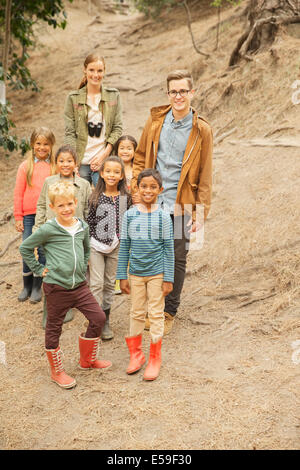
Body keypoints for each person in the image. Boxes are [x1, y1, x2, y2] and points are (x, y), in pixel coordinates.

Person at [132, 69, 213, 335]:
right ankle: (151, 307)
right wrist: (137, 191)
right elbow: (141, 157)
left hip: (182, 204)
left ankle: (169, 311)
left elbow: (205, 174)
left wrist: (200, 214)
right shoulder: (156, 121)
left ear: (192, 93)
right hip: (153, 202)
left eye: (183, 91)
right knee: (152, 253)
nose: (178, 96)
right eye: (173, 91)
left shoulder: (201, 130)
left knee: (177, 257)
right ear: (168, 94)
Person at [19, 180, 112, 389]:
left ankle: (86, 360)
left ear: (76, 202)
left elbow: (86, 249)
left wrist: (82, 268)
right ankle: (57, 371)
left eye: (69, 204)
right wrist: (37, 268)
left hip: (79, 286)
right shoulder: (48, 229)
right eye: (60, 205)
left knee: (98, 317)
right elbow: (26, 247)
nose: (66, 209)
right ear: (52, 207)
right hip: (56, 287)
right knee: (54, 328)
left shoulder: (82, 226)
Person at [116, 169, 174, 381]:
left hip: (157, 274)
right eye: (144, 186)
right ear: (136, 188)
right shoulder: (129, 215)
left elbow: (169, 248)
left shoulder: (163, 217)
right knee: (136, 312)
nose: (148, 190)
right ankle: (136, 354)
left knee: (156, 314)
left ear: (160, 190)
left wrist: (169, 278)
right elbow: (124, 247)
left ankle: (155, 359)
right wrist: (122, 275)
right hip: (136, 275)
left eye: (152, 187)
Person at [34, 144, 92, 328]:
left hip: (74, 235)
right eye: (61, 161)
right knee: (51, 269)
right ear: (56, 162)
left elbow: (89, 210)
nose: (65, 164)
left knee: (71, 267)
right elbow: (42, 206)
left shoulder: (83, 185)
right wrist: (38, 228)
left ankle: (68, 304)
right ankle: (50, 308)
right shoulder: (49, 182)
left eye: (69, 161)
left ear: (76, 163)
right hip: (51, 235)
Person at [87, 155, 131, 341]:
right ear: (102, 174)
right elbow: (89, 223)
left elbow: (126, 222)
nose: (112, 175)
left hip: (116, 246)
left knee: (108, 284)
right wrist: (86, 249)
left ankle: (105, 320)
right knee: (96, 283)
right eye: (108, 171)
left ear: (121, 176)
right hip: (96, 246)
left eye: (116, 172)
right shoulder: (96, 196)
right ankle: (95, 320)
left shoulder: (124, 198)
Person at [64, 53, 123, 187]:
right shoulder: (73, 98)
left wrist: (104, 156)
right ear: (84, 70)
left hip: (103, 162)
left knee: (105, 204)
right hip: (81, 162)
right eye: (91, 70)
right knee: (80, 204)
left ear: (104, 71)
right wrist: (72, 162)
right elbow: (70, 133)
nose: (95, 75)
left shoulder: (113, 95)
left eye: (99, 71)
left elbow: (117, 128)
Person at [14, 127, 56, 304]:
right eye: (38, 143)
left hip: (47, 214)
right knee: (27, 248)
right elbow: (18, 193)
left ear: (51, 145)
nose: (42, 147)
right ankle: (27, 285)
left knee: (43, 250)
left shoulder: (54, 166)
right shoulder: (25, 166)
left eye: (46, 144)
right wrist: (18, 217)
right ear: (32, 144)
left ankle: (38, 286)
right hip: (29, 215)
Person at [113, 134, 138, 294]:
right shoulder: (114, 167)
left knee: (134, 245)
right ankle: (117, 280)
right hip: (118, 211)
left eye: (129, 148)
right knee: (119, 246)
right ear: (116, 150)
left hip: (135, 212)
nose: (125, 151)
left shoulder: (137, 169)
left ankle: (133, 279)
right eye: (122, 148)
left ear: (135, 151)